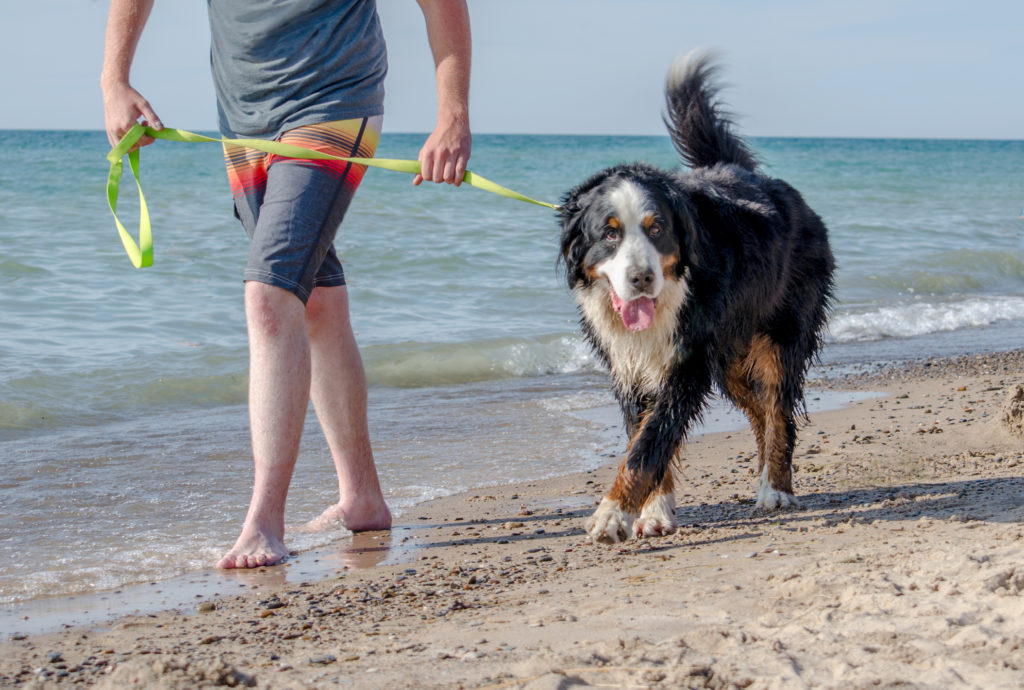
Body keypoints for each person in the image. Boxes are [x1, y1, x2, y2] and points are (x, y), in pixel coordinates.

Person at [101, 0, 472, 569]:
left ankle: (263, 522)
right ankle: (363, 497)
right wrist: (114, 81)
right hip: (243, 119)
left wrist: (452, 114)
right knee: (315, 301)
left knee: (269, 296)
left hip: (334, 101)